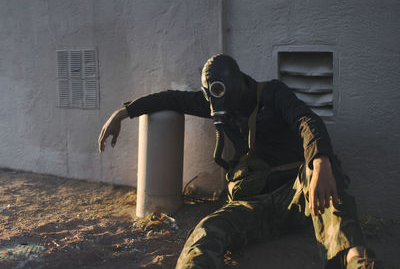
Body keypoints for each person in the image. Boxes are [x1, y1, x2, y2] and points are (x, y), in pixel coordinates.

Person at [98, 54, 379, 269]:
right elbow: (172, 99)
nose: (222, 110)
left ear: (240, 84)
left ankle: (354, 257)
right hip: (253, 205)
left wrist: (321, 163)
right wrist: (123, 113)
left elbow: (306, 119)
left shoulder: (273, 93)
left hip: (298, 198)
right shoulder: (217, 105)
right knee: (208, 229)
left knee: (319, 176)